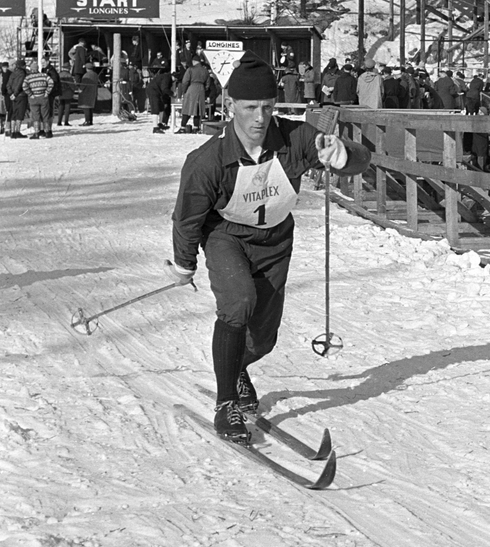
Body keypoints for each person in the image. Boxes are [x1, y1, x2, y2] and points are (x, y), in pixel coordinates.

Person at [169, 53, 371, 440]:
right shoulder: (208, 160)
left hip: (275, 239)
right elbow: (188, 216)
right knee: (239, 302)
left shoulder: (294, 138)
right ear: (231, 106)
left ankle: (236, 367)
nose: (259, 118)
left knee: (263, 336)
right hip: (227, 236)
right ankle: (226, 402)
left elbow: (361, 160)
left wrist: (342, 155)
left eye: (267, 107)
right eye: (249, 108)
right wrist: (183, 264)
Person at [22, 61, 54, 140]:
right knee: (45, 115)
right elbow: (51, 82)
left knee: (35, 116)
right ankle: (47, 132)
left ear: (31, 69)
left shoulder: (28, 78)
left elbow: (24, 86)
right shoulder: (44, 75)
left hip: (33, 99)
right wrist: (47, 92)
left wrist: (30, 94)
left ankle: (36, 132)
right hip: (43, 97)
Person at [179, 56, 210, 133]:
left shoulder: (190, 69)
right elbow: (208, 84)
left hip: (191, 88)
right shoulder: (205, 71)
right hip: (201, 89)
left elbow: (185, 81)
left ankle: (183, 127)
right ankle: (196, 127)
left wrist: (184, 91)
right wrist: (204, 89)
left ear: (194, 61)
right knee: (198, 109)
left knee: (187, 108)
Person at [6, 60, 28, 138]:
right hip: (21, 95)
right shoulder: (22, 73)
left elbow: (8, 85)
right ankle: (17, 131)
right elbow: (20, 84)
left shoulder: (12, 74)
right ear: (22, 66)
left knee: (14, 113)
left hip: (13, 96)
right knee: (20, 113)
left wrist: (11, 93)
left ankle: (12, 132)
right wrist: (15, 94)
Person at [148, 66, 173, 133]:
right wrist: (172, 94)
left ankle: (160, 123)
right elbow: (164, 88)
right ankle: (155, 127)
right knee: (155, 108)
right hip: (153, 91)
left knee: (161, 107)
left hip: (157, 91)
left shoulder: (167, 77)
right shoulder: (167, 78)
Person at [76, 62, 100, 126]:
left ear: (87, 68)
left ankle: (87, 121)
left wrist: (80, 89)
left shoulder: (86, 75)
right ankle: (90, 121)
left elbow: (83, 84)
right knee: (90, 108)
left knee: (86, 108)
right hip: (93, 92)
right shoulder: (95, 75)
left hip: (86, 93)